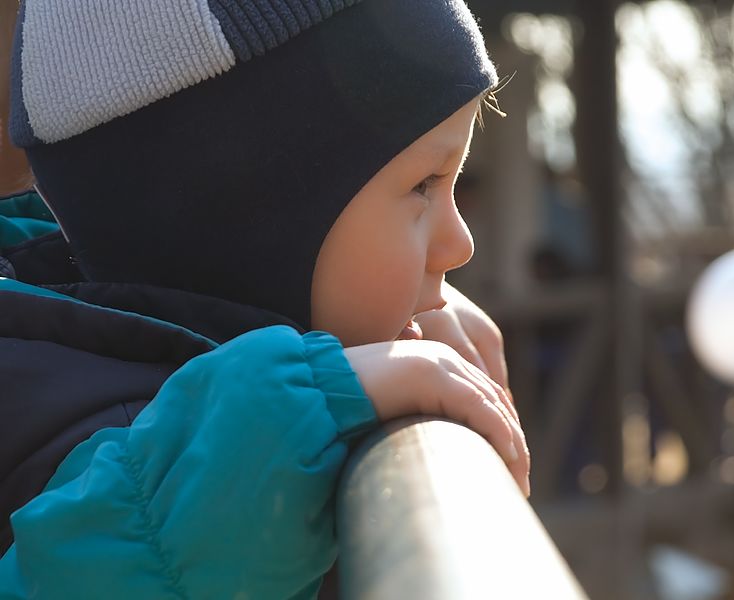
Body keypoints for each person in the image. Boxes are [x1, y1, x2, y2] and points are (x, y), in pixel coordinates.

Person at [0, 1, 529, 598]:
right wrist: (296, 409)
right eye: (423, 186)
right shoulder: (83, 433)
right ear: (246, 215)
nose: (460, 246)